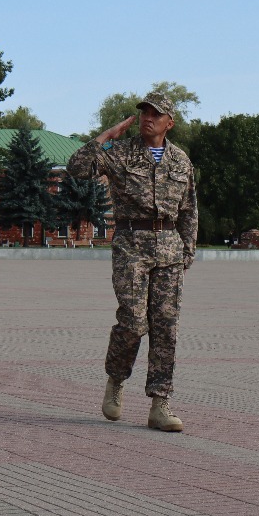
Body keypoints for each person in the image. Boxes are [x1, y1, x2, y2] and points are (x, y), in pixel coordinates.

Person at [66, 90, 197, 433]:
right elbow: (77, 168)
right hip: (131, 247)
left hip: (169, 248)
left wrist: (187, 250)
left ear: (169, 123)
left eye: (155, 114)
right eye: (144, 112)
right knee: (133, 322)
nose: (147, 118)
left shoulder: (181, 161)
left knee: (166, 326)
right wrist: (106, 136)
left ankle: (160, 404)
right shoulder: (121, 152)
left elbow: (189, 209)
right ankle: (116, 379)